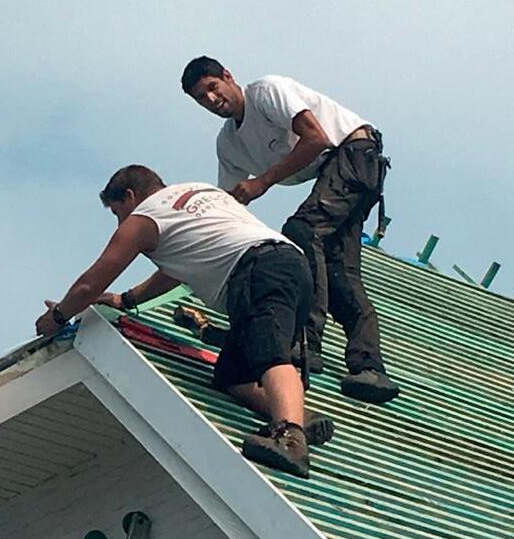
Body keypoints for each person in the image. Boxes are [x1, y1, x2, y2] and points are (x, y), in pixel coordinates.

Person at [35, 165, 334, 479]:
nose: (120, 222)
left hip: (257, 270)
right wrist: (126, 300)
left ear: (131, 196)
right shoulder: (199, 193)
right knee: (232, 376)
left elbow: (90, 284)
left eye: (117, 212)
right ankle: (298, 415)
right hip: (292, 267)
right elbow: (176, 270)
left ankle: (290, 440)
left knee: (271, 355)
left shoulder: (144, 218)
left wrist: (58, 317)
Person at [180, 57, 398, 404]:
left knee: (302, 230)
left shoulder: (267, 92)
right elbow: (229, 207)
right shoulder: (229, 145)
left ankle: (305, 341)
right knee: (338, 271)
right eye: (200, 98)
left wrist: (262, 182)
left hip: (355, 153)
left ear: (228, 76)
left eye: (212, 88)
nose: (211, 100)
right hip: (338, 169)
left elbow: (316, 138)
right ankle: (369, 366)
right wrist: (202, 255)